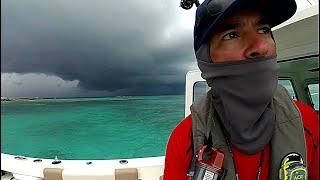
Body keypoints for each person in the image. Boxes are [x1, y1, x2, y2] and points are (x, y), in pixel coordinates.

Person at [163, 0, 319, 179]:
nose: (259, 47)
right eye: (232, 35)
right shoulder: (185, 140)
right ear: (206, 58)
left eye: (264, 30)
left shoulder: (307, 123)